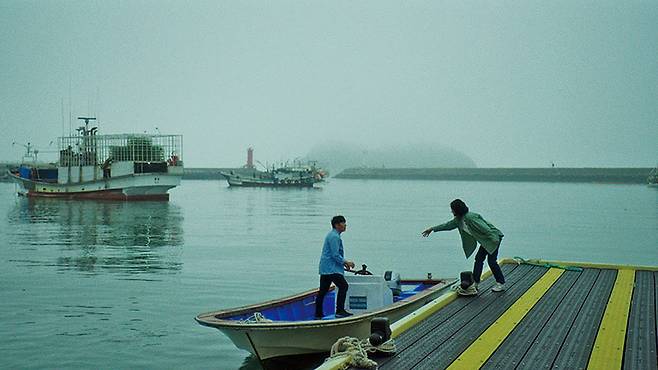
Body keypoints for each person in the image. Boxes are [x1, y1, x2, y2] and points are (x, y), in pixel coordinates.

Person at [421, 199, 505, 296]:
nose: (451, 211)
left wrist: (495, 240)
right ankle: (475, 283)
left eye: (452, 209)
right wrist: (432, 229)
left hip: (493, 239)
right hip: (485, 241)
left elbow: (486, 229)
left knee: (491, 262)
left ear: (457, 209)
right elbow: (447, 225)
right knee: (478, 260)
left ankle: (500, 283)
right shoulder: (458, 220)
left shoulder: (470, 217)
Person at [315, 215, 355, 319]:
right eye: (343, 223)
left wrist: (343, 264)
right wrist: (347, 262)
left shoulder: (333, 235)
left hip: (326, 268)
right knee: (343, 286)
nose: (345, 225)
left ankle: (318, 314)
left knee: (323, 291)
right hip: (331, 269)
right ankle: (340, 311)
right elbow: (335, 255)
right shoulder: (334, 237)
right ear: (337, 225)